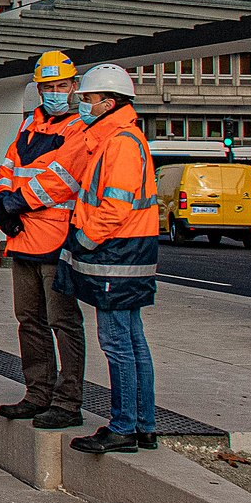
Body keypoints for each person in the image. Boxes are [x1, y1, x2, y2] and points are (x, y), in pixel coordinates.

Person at [61, 63, 162, 456]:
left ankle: (123, 427)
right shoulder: (119, 138)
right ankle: (143, 425)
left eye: (86, 98)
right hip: (130, 252)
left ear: (108, 102)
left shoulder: (120, 142)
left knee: (117, 341)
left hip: (116, 253)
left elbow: (114, 205)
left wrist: (84, 239)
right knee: (133, 340)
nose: (81, 104)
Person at [0, 52, 89, 432]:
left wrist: (16, 201)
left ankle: (68, 400)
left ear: (73, 86)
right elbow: (8, 167)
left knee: (63, 321)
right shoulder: (30, 124)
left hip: (57, 239)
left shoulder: (80, 128)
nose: (54, 93)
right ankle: (38, 393)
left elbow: (62, 177)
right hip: (24, 236)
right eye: (47, 87)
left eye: (60, 86)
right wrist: (1, 204)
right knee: (29, 320)